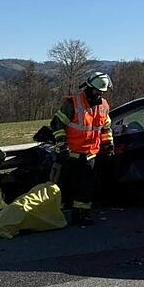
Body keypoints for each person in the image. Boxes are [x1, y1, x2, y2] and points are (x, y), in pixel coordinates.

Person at [47, 71, 114, 226]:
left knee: (85, 189)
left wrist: (108, 145)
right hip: (70, 154)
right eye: (97, 91)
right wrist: (62, 144)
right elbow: (56, 124)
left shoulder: (104, 106)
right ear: (88, 88)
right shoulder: (72, 103)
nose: (99, 95)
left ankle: (81, 215)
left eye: (102, 92)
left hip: (90, 155)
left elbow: (106, 128)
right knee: (62, 188)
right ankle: (57, 217)